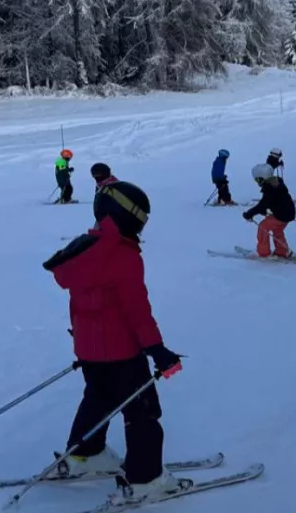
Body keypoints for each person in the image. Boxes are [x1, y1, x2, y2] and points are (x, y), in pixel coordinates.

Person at [42, 163, 189, 505]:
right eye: (141, 218)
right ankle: (146, 479)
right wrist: (158, 350)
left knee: (99, 398)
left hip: (89, 351)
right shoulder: (121, 256)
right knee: (142, 412)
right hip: (123, 353)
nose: (142, 225)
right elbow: (137, 311)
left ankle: (84, 454)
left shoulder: (85, 250)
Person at [241, 163, 296, 260]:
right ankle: (282, 252)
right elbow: (271, 203)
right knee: (277, 230)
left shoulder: (270, 188)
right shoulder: (276, 184)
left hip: (281, 215)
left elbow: (263, 205)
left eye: (257, 180)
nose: (257, 182)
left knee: (263, 227)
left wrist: (249, 213)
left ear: (262, 178)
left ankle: (264, 253)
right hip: (288, 214)